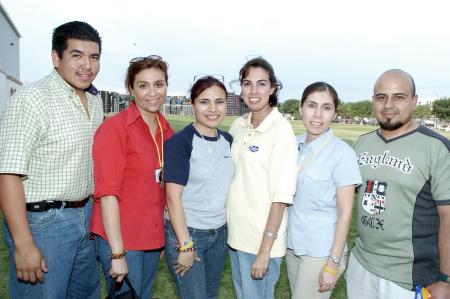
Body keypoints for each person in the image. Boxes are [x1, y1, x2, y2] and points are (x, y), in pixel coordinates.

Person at [0, 21, 102, 298]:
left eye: (94, 57)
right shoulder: (31, 99)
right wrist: (23, 245)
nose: (87, 65)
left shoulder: (95, 100)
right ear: (56, 58)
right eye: (76, 55)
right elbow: (8, 174)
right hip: (44, 224)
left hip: (86, 215)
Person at [346, 69, 450, 299]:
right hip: (361, 264)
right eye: (381, 97)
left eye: (398, 97)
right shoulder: (362, 144)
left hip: (408, 278)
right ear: (373, 101)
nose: (388, 104)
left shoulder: (437, 148)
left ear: (414, 101)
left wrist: (446, 280)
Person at [90, 55, 174, 298]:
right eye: (143, 85)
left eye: (159, 84)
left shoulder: (166, 131)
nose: (152, 93)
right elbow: (107, 194)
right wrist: (117, 254)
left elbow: (159, 190)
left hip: (149, 237)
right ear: (131, 89)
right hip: (121, 239)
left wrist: (158, 236)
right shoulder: (115, 128)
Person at [227, 57, 298, 299]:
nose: (254, 91)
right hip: (236, 235)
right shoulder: (238, 125)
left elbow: (281, 196)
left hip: (260, 242)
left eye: (261, 84)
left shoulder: (281, 130)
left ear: (273, 88)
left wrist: (265, 250)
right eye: (247, 84)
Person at [286, 82, 362, 299]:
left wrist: (333, 263)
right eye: (312, 105)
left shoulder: (342, 154)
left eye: (326, 107)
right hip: (293, 245)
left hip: (321, 252)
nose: (318, 114)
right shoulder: (292, 144)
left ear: (335, 113)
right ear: (301, 108)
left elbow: (345, 212)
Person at [163, 76, 235, 298]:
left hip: (219, 234)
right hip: (188, 233)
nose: (213, 109)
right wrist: (185, 245)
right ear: (192, 104)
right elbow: (173, 198)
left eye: (219, 102)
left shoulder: (228, 140)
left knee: (210, 294)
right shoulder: (180, 143)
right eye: (204, 102)